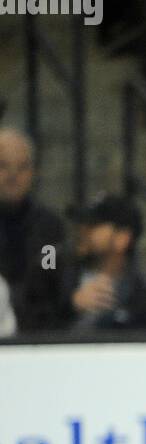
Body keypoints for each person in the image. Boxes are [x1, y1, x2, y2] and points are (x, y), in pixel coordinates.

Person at [0, 128, 70, 332]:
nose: (13, 176)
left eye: (22, 167)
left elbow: (50, 277)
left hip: (38, 330)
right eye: (3, 166)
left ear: (33, 172)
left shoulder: (49, 226)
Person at [66, 195, 146, 332]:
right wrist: (70, 306)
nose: (82, 230)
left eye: (93, 225)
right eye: (81, 224)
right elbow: (34, 326)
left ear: (122, 238)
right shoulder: (56, 278)